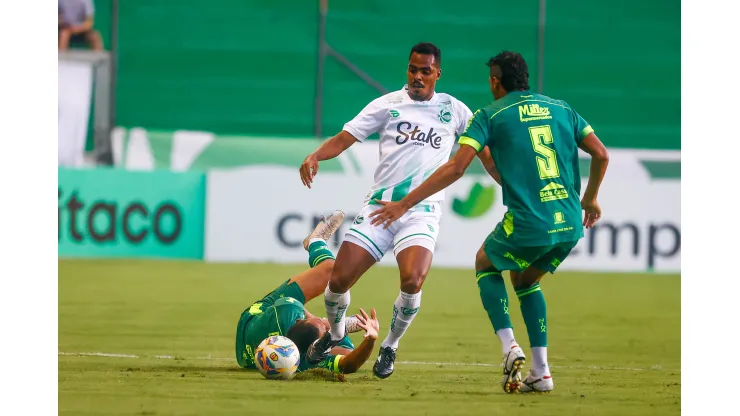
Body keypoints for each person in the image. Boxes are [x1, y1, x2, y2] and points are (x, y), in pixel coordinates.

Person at [368, 51, 610, 393]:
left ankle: (510, 346)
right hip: (570, 221)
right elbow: (601, 154)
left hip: (531, 219)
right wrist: (590, 198)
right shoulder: (562, 108)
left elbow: (456, 168)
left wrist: (405, 203)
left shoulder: (489, 115)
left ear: (495, 82)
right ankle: (541, 373)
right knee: (526, 281)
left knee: (485, 263)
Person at [299, 42, 500, 379]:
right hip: (380, 208)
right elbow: (346, 137)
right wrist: (316, 155)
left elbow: (485, 155)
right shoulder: (387, 104)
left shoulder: (455, 110)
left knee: (413, 279)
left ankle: (390, 345)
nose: (417, 76)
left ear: (437, 73)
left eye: (425, 71)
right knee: (339, 280)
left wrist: (508, 183)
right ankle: (334, 335)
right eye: (412, 69)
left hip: (421, 212)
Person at [235, 211, 380, 375]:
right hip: (255, 352)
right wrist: (370, 339)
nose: (322, 323)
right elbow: (350, 364)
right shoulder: (303, 360)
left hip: (253, 320)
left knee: (332, 272)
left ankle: (314, 241)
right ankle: (315, 242)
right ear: (313, 349)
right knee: (346, 351)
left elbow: (313, 320)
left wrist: (339, 325)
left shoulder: (285, 310)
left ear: (299, 319)